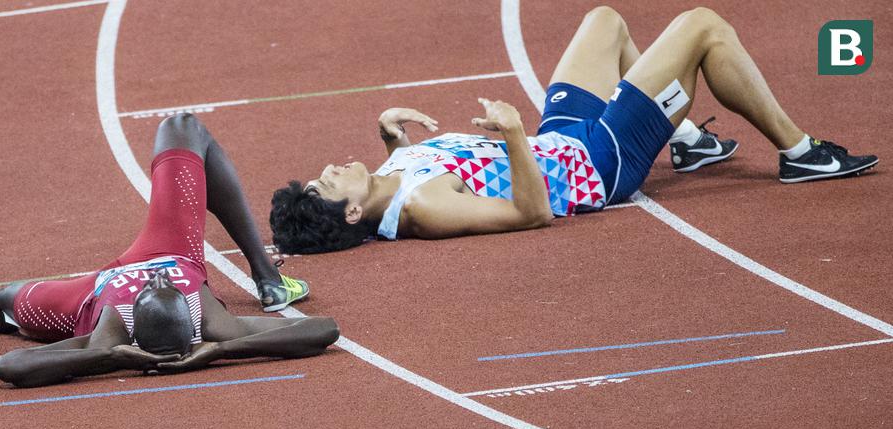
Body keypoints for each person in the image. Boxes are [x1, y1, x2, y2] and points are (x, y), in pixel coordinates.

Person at [269, 6, 879, 254]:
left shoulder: (388, 181)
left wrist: (392, 141)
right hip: (601, 161)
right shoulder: (424, 207)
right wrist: (510, 132)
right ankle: (801, 152)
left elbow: (424, 172)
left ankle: (688, 141)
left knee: (605, 21)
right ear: (351, 216)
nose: (326, 171)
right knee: (703, 26)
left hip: (561, 135)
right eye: (326, 187)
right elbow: (529, 214)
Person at [0, 114, 338, 387]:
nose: (157, 279)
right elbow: (323, 330)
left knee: (6, 300)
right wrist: (216, 351)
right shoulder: (213, 322)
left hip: (86, 298)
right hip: (171, 248)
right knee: (182, 126)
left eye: (154, 287)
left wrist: (110, 357)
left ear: (132, 319)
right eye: (165, 285)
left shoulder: (107, 337)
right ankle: (268, 278)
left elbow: (10, 367)